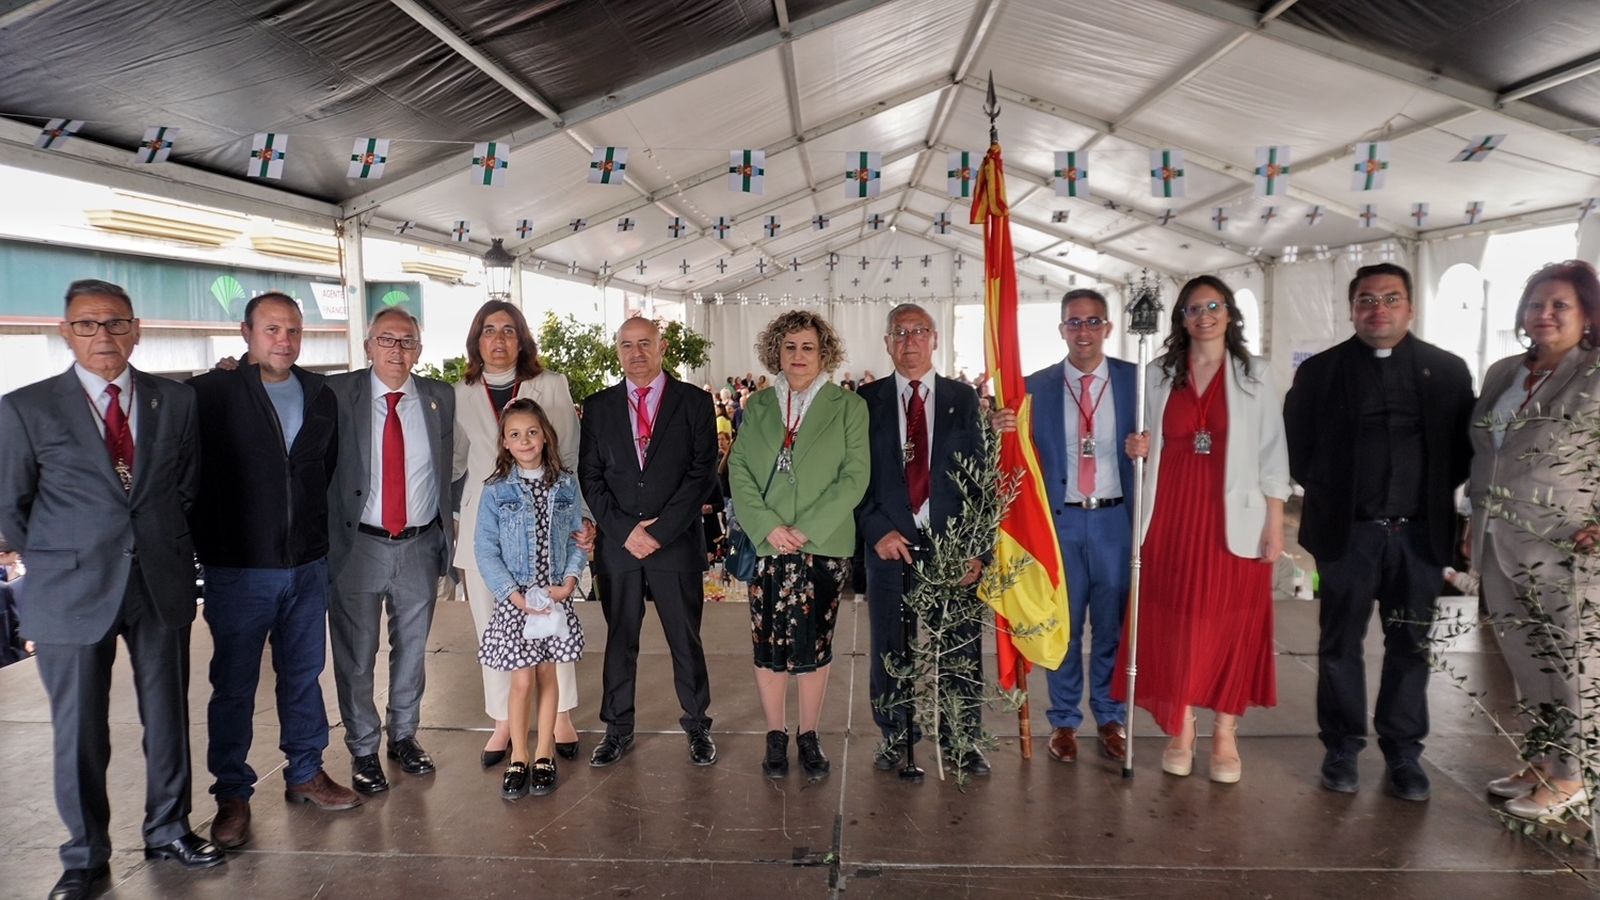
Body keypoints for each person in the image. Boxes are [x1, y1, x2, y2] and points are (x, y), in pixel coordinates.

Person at [0, 279, 222, 900]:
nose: (104, 336)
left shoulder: (172, 401)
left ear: (137, 328)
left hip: (159, 578)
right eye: (89, 325)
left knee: (168, 715)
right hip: (71, 589)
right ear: (67, 332)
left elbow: (185, 483)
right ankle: (84, 856)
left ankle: (169, 827)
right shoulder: (26, 408)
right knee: (79, 729)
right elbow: (11, 507)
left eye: (116, 323)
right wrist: (66, 551)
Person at [1285, 262, 1475, 801]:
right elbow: (1297, 446)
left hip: (1418, 536)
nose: (1378, 309)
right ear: (1352, 309)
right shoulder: (1321, 371)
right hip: (1349, 535)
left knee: (1410, 644)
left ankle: (1403, 753)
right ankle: (1342, 746)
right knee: (1339, 642)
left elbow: (1464, 449)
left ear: (1410, 308)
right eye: (1367, 300)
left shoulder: (1449, 370)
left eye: (1390, 299)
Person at [187, 292, 358, 850]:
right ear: (247, 332)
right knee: (234, 686)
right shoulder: (210, 394)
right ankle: (232, 794)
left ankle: (306, 772)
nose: (283, 340)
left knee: (304, 675)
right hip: (239, 567)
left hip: (306, 563)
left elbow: (322, 470)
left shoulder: (319, 394)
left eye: (293, 330)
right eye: (271, 329)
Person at [1120, 275, 1288, 784]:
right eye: (1194, 308)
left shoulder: (1256, 374)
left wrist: (1275, 523)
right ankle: (1183, 727)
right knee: (1177, 622)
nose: (1204, 315)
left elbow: (1272, 452)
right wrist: (1137, 447)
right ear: (1182, 318)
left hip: (1234, 517)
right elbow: (1147, 439)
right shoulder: (1156, 373)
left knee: (1231, 625)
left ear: (1230, 313)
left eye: (1213, 306)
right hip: (1170, 513)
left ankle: (1226, 735)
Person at [1468, 260, 1600, 821]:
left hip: (1566, 542)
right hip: (1498, 538)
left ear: (1588, 315)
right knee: (1526, 659)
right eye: (1534, 304)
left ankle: (1576, 776)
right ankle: (1545, 757)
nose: (1542, 315)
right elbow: (1487, 454)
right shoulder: (1503, 373)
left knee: (1572, 660)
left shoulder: (1594, 374)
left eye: (1559, 305)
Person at [727, 311, 869, 781]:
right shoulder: (760, 405)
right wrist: (768, 526)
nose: (799, 356)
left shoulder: (849, 407)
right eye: (790, 347)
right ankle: (775, 734)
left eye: (808, 347)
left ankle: (808, 734)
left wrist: (804, 529)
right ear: (777, 352)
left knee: (813, 645)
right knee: (768, 643)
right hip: (768, 546)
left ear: (824, 353)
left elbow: (855, 478)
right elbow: (739, 471)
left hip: (823, 544)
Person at [451, 300, 590, 769]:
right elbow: (454, 460)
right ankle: (503, 722)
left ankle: (561, 715)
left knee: (553, 618)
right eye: (489, 330)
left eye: (508, 330)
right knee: (494, 626)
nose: (498, 339)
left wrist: (583, 520)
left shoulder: (549, 385)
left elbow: (569, 451)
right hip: (487, 525)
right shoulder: (461, 392)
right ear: (477, 340)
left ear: (522, 338)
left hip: (548, 522)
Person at [325, 307, 456, 795]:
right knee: (357, 656)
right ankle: (362, 747)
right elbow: (281, 382)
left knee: (412, 651)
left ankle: (403, 735)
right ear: (367, 346)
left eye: (407, 341)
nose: (397, 350)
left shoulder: (439, 398)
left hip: (420, 544)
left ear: (419, 350)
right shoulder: (338, 393)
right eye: (387, 339)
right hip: (358, 544)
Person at [578, 317, 719, 768]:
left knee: (685, 638)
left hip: (674, 543)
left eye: (645, 344)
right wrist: (624, 531)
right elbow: (591, 476)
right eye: (626, 345)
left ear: (663, 347)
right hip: (620, 547)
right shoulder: (598, 407)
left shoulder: (694, 402)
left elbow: (702, 473)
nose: (636, 353)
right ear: (617, 351)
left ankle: (697, 726)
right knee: (620, 639)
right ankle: (617, 729)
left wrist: (658, 532)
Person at [857, 303, 990, 775]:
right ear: (887, 342)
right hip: (890, 546)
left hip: (952, 547)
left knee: (959, 643)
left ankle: (962, 739)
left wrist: (978, 549)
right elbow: (853, 479)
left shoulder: (964, 398)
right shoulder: (864, 400)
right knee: (890, 647)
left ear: (935, 339)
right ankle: (897, 735)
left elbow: (982, 481)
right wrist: (877, 530)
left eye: (918, 332)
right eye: (899, 332)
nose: (909, 341)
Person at [1026, 289, 1137, 764]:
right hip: (1062, 522)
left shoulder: (1138, 381)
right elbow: (1021, 456)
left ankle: (1111, 716)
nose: (1084, 331)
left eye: (1093, 321)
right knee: (1064, 627)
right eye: (1075, 322)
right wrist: (1004, 426)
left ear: (1108, 328)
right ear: (1062, 330)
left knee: (1111, 626)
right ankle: (1065, 721)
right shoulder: (1036, 386)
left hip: (1115, 519)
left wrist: (1150, 447)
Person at [475, 399, 588, 800]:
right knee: (521, 680)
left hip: (554, 596)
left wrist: (571, 579)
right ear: (505, 442)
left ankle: (544, 753)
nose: (525, 441)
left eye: (532, 433)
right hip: (517, 601)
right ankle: (518, 755)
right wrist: (513, 594)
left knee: (547, 675)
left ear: (545, 436)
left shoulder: (565, 483)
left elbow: (578, 537)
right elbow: (485, 549)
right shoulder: (496, 490)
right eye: (515, 434)